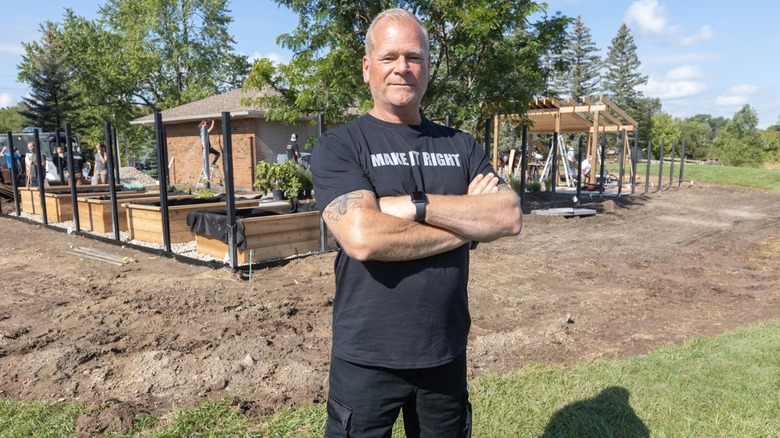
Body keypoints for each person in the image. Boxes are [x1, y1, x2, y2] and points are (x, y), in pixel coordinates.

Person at [310, 8, 522, 437]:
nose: (402, 68)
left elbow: (508, 215)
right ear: (367, 67)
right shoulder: (341, 145)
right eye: (389, 57)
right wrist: (465, 221)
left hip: (444, 352)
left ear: (427, 67)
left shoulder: (461, 145)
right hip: (366, 355)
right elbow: (363, 237)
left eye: (414, 57)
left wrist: (414, 206)